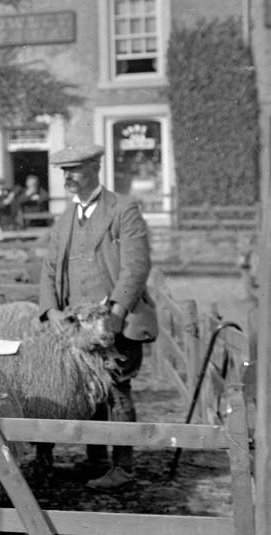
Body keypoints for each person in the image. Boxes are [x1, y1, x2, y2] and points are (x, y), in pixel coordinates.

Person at [39, 144, 157, 492]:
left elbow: (136, 266)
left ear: (95, 168)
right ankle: (96, 457)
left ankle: (123, 466)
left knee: (118, 390)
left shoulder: (123, 209)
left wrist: (118, 311)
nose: (68, 178)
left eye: (75, 169)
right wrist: (51, 310)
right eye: (64, 171)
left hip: (114, 322)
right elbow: (48, 268)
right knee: (89, 390)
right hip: (77, 324)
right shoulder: (66, 218)